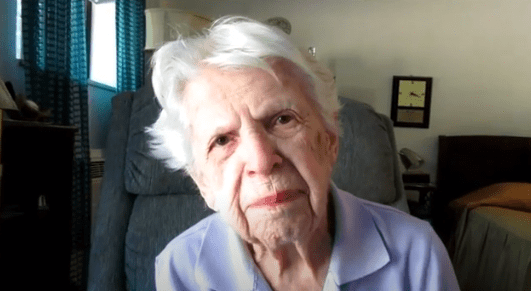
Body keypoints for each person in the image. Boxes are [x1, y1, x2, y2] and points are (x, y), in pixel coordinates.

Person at [148, 16, 459, 291]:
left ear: (330, 138)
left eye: (283, 119)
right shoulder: (180, 269)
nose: (261, 160)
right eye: (222, 141)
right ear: (201, 181)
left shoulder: (416, 253)